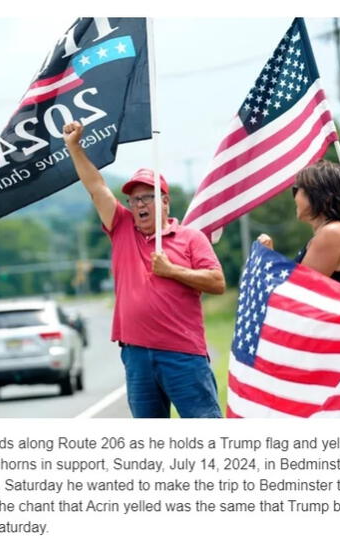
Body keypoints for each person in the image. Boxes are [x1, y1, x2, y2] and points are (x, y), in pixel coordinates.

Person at [62, 120, 225, 418]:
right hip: (136, 354)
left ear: (164, 201)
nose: (138, 205)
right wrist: (75, 147)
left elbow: (216, 282)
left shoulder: (191, 238)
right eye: (133, 199)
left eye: (146, 197)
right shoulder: (122, 227)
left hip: (183, 354)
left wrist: (174, 271)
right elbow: (96, 187)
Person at [258, 160, 340, 287]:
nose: (294, 197)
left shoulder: (334, 232)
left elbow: (298, 291)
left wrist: (269, 260)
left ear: (320, 195)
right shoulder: (331, 232)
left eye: (296, 190)